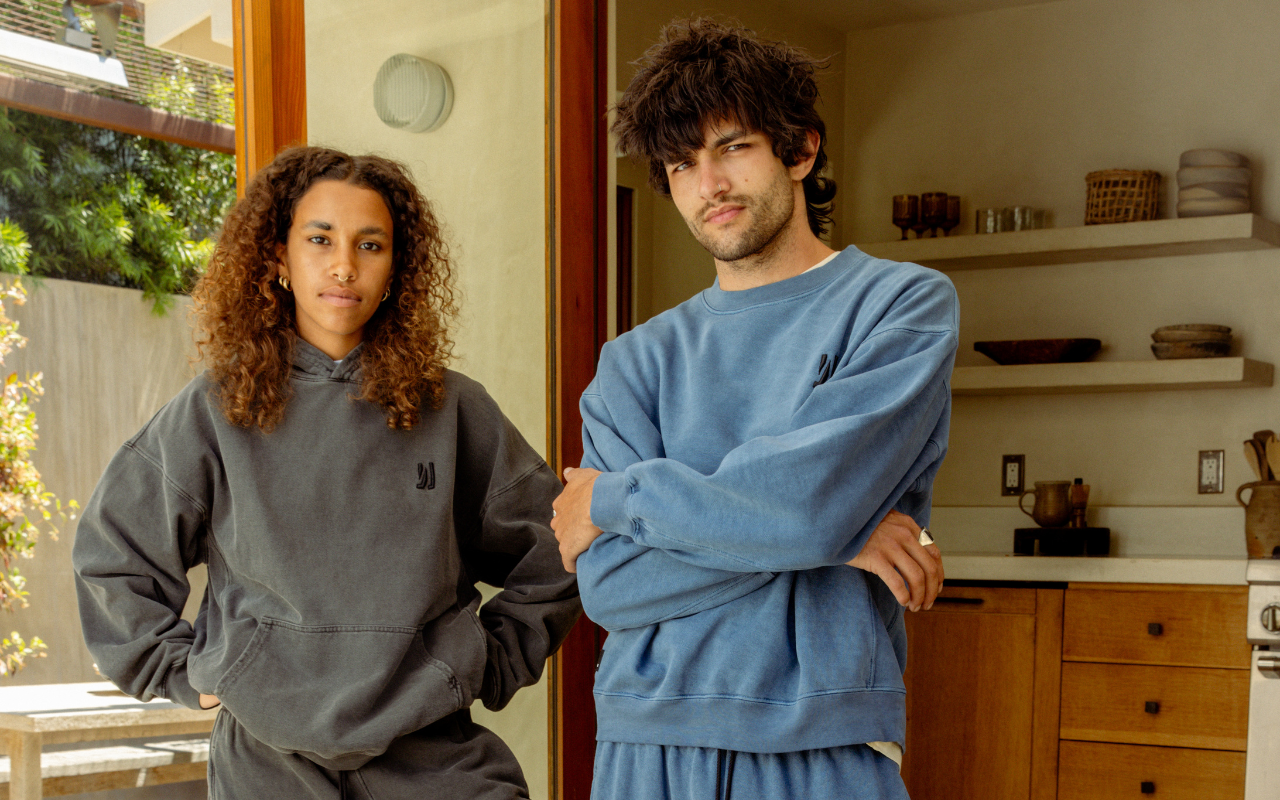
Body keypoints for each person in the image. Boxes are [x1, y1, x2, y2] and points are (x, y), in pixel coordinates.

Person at [73, 147, 580, 799]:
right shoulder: (215, 410)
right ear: (279, 257)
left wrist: (484, 663)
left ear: (397, 267)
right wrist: (179, 667)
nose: (344, 265)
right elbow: (112, 554)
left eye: (371, 245)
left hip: (431, 757)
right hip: (267, 765)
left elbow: (556, 546)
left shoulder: (453, 409)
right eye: (320, 239)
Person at [550, 19, 957, 800]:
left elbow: (803, 510)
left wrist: (614, 498)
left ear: (800, 150)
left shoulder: (899, 306)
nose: (709, 185)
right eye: (680, 164)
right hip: (646, 738)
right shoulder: (634, 361)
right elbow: (612, 584)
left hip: (824, 733)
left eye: (733, 147)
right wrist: (838, 538)